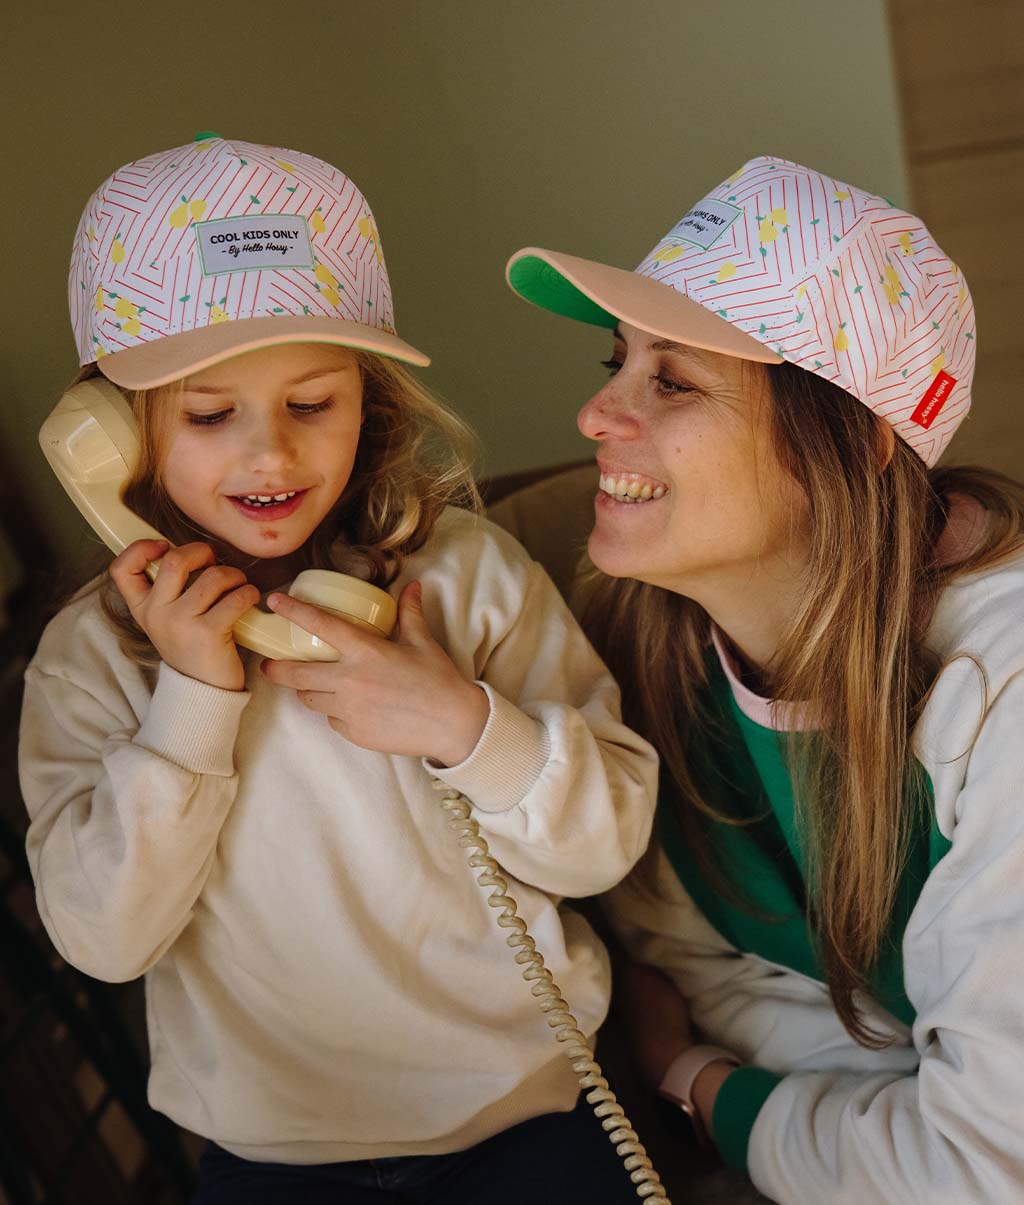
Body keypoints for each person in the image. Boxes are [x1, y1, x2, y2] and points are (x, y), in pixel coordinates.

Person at [18, 134, 660, 1205]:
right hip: (275, 1163)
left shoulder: (467, 576)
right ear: (111, 436)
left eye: (311, 404)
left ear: (371, 404)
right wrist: (193, 698)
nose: (269, 455)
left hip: (531, 1118)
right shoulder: (92, 657)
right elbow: (106, 941)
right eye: (211, 413)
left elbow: (603, 846)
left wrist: (463, 723)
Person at [504, 154, 1024, 1203]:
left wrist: (694, 1080)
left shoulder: (1005, 689)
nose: (596, 415)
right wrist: (887, 1094)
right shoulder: (642, 641)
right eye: (617, 360)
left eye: (673, 380)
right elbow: (691, 975)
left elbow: (982, 1166)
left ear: (857, 443)